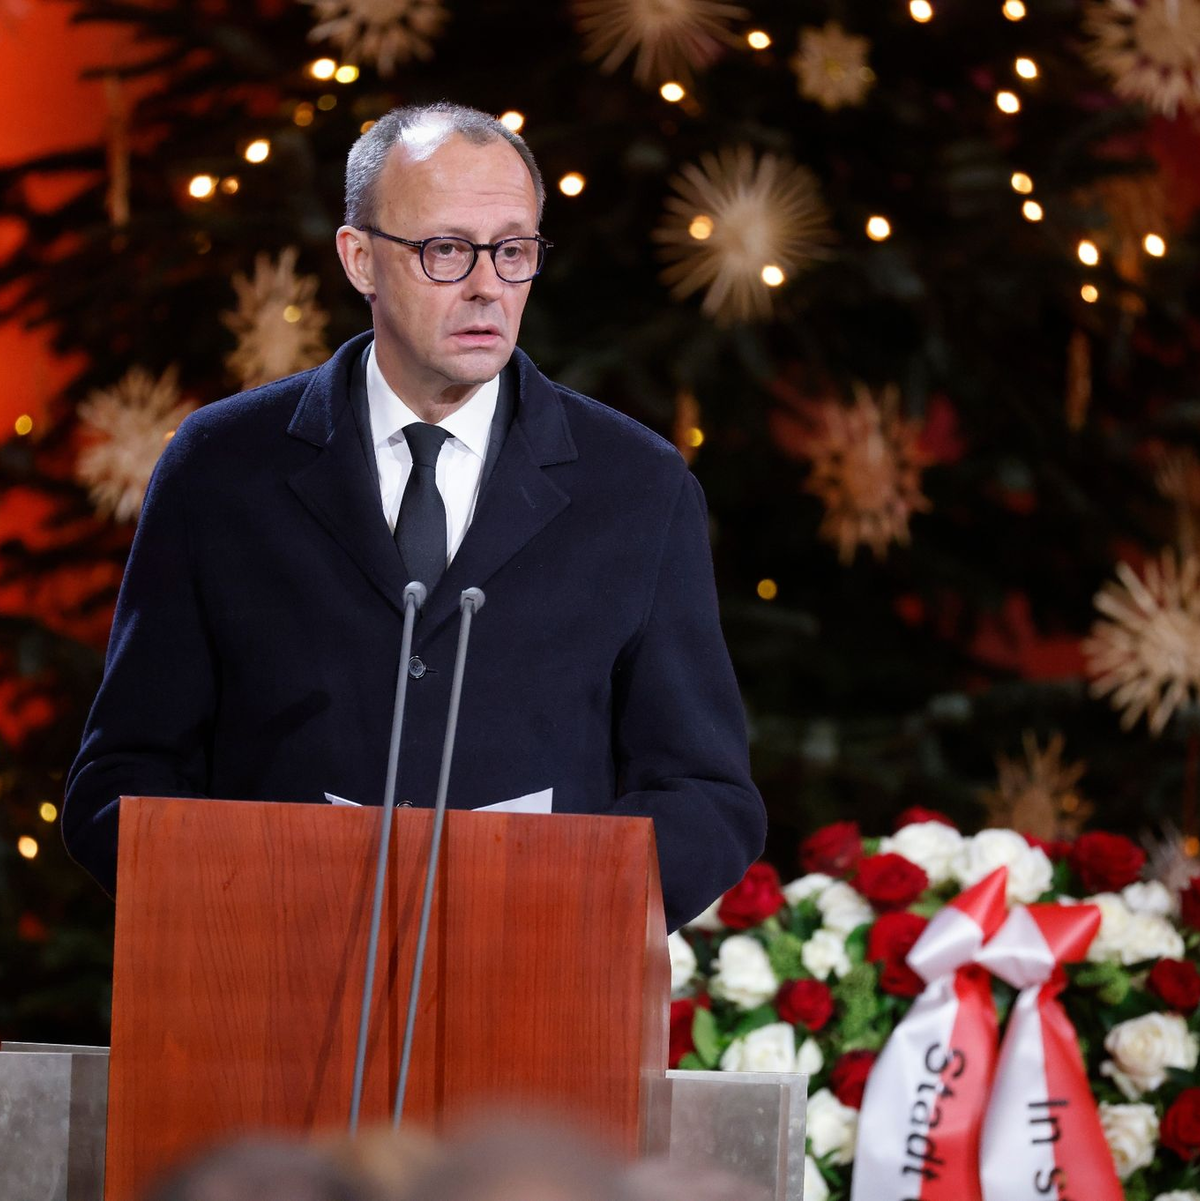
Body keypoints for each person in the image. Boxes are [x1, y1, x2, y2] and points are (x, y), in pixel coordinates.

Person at [62, 101, 765, 931]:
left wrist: (556, 901)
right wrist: (246, 902)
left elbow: (707, 797)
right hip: (272, 993)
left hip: (539, 998)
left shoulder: (640, 487)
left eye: (512, 251)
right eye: (445, 250)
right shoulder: (220, 469)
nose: (486, 288)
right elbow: (122, 777)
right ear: (359, 258)